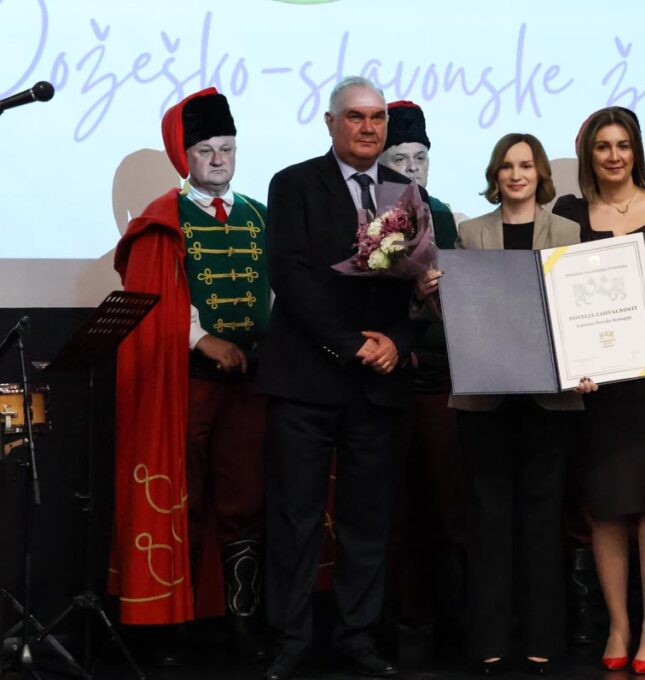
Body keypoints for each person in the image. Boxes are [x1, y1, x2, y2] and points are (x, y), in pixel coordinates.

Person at [256, 76, 424, 680]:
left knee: (367, 521)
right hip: (306, 380)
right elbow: (291, 277)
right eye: (356, 116)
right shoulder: (293, 183)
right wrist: (353, 345)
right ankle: (289, 639)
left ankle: (358, 636)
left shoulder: (407, 191)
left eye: (377, 117)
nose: (368, 127)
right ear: (331, 123)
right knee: (296, 519)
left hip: (377, 386)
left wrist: (398, 342)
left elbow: (419, 286)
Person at [109, 88, 270, 662]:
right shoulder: (162, 220)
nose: (220, 159)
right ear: (186, 157)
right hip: (188, 383)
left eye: (228, 147)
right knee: (186, 497)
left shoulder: (260, 215)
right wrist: (206, 341)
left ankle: (240, 621)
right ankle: (175, 625)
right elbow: (157, 303)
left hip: (252, 384)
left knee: (244, 498)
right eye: (206, 150)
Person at [552, 107, 645, 675]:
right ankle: (618, 623)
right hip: (599, 384)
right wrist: (574, 363)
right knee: (608, 509)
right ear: (588, 154)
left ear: (636, 150)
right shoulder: (569, 212)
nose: (614, 156)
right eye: (602, 147)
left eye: (623, 145)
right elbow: (561, 299)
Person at [445, 133, 592, 675]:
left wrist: (588, 365)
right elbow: (460, 316)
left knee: (541, 523)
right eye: (506, 166)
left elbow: (581, 310)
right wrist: (437, 293)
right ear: (495, 175)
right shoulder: (470, 233)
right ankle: (488, 642)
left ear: (540, 174)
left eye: (526, 165)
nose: (516, 174)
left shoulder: (568, 232)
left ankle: (541, 641)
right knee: (488, 522)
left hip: (549, 401)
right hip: (486, 399)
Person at [378, 99, 466, 650]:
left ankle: (456, 620)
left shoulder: (446, 215)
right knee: (394, 508)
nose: (412, 169)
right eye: (400, 158)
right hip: (386, 377)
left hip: (441, 376)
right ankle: (401, 623)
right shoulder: (367, 216)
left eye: (420, 158)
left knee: (449, 504)